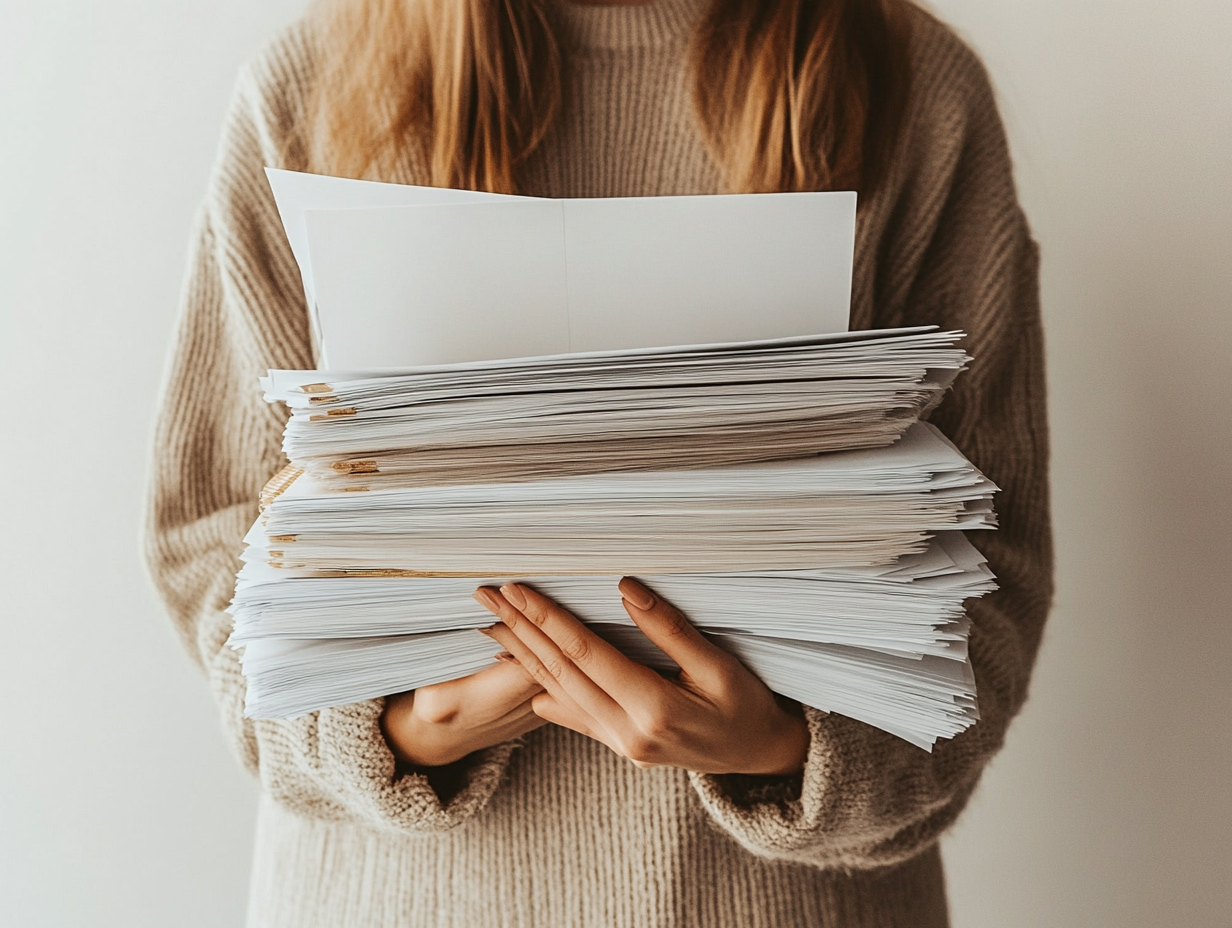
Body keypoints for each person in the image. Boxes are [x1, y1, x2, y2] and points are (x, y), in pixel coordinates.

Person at [145, 0, 1053, 925]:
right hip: (400, 898)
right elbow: (213, 536)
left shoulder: (907, 82)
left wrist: (787, 751)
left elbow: (992, 570)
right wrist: (385, 735)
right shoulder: (313, 81)